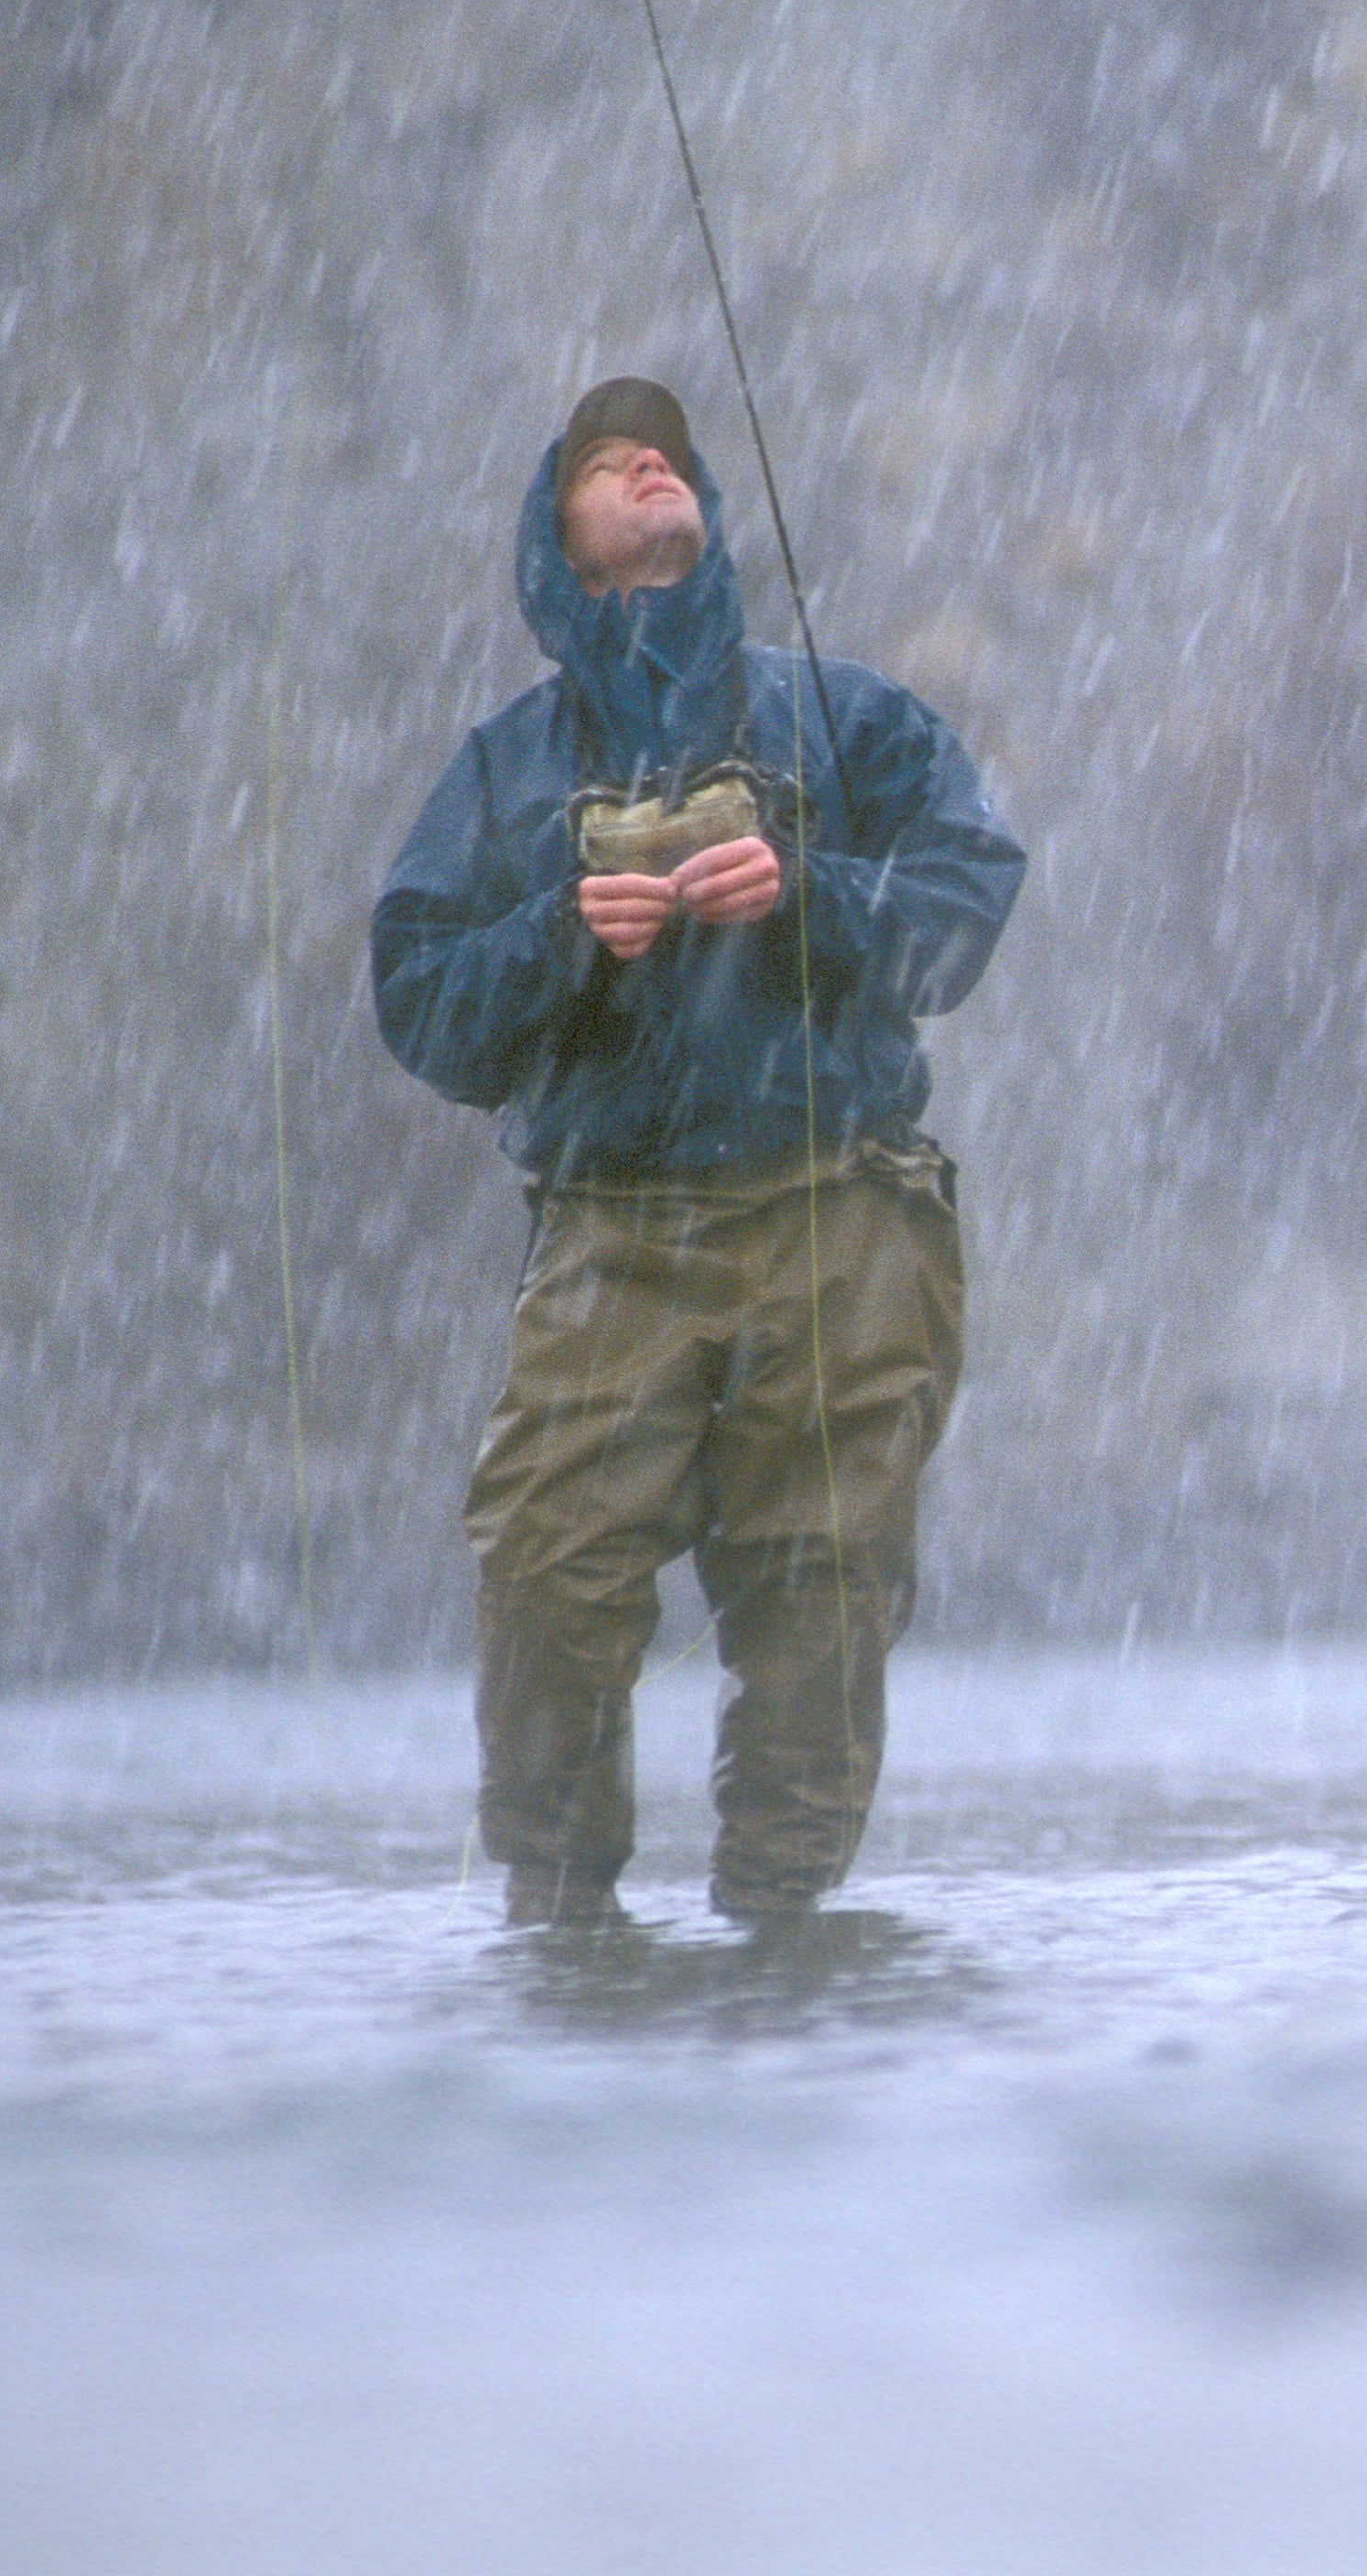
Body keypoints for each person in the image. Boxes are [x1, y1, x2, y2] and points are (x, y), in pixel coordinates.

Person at [372, 375, 1024, 1929]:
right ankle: (562, 1920)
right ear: (563, 552)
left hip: (843, 1216)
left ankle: (787, 1943)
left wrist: (812, 893)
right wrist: (560, 937)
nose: (644, 459)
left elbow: (966, 908)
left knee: (826, 1594)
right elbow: (421, 1005)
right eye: (603, 464)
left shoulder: (850, 717)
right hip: (610, 1232)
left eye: (658, 450)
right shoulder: (506, 770)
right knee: (547, 1573)